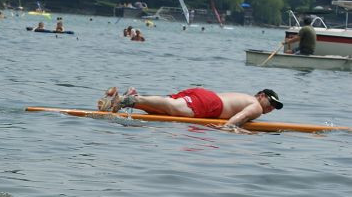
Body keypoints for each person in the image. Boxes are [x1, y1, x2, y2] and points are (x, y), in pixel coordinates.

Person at [98, 87, 283, 129]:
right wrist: (227, 128)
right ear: (261, 96)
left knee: (161, 109)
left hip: (205, 95)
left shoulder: (243, 96)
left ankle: (134, 97)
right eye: (271, 103)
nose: (271, 108)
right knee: (171, 107)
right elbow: (241, 117)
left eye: (275, 107)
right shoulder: (256, 106)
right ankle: (126, 99)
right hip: (212, 104)